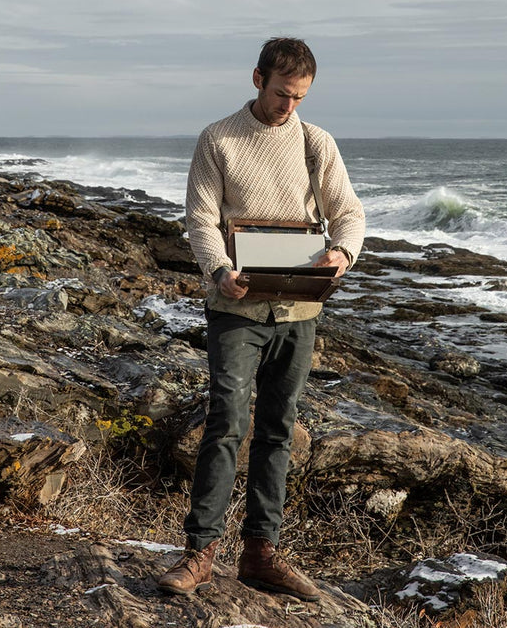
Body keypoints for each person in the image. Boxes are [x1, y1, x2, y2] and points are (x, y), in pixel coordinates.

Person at [158, 37, 365, 600]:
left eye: (299, 97)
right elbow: (200, 218)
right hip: (234, 305)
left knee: (280, 427)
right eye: (281, 93)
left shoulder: (316, 143)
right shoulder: (218, 139)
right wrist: (219, 268)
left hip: (300, 307)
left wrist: (342, 254)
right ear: (256, 79)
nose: (288, 107)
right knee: (226, 420)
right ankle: (200, 553)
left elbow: (348, 212)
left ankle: (260, 553)